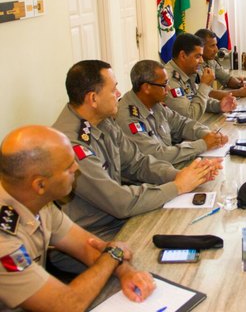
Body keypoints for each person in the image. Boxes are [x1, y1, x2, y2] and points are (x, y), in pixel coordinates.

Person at [52, 60, 221, 262]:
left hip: (119, 221)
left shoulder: (102, 121)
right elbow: (119, 202)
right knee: (172, 257)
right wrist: (177, 186)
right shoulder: (71, 144)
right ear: (93, 98)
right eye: (113, 89)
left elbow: (138, 163)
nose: (118, 94)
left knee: (193, 229)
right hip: (92, 238)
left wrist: (182, 176)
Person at [0, 126, 155, 311]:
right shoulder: (4, 239)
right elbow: (66, 305)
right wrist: (114, 254)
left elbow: (87, 247)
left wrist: (126, 271)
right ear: (40, 184)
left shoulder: (37, 201)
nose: (77, 167)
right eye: (68, 167)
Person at [116, 60, 229, 168]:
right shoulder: (129, 118)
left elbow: (182, 124)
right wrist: (203, 144)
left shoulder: (154, 104)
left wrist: (207, 134)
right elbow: (157, 155)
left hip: (168, 168)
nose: (168, 88)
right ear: (147, 87)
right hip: (145, 183)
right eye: (164, 84)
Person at [165, 33, 237, 121]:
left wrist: (219, 105)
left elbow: (197, 98)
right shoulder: (169, 79)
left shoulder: (188, 72)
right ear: (183, 56)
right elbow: (190, 116)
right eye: (197, 56)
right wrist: (205, 85)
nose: (201, 61)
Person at [195, 28, 246, 98]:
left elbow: (227, 78)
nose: (216, 50)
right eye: (212, 46)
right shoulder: (195, 65)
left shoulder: (211, 61)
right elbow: (208, 93)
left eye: (216, 45)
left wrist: (240, 84)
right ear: (201, 47)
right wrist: (238, 93)